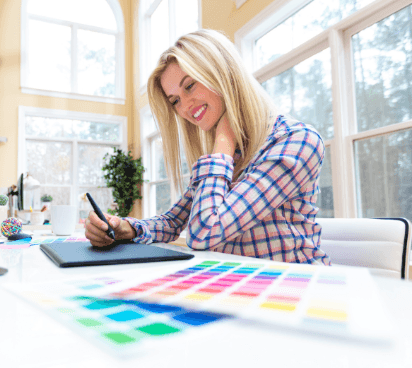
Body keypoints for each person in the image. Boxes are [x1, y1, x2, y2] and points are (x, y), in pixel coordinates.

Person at [85, 29, 330, 265]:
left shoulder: (295, 141)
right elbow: (173, 221)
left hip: (297, 287)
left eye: (189, 85)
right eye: (175, 101)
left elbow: (204, 232)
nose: (184, 107)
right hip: (239, 283)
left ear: (223, 73)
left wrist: (223, 138)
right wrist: (123, 228)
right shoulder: (222, 158)